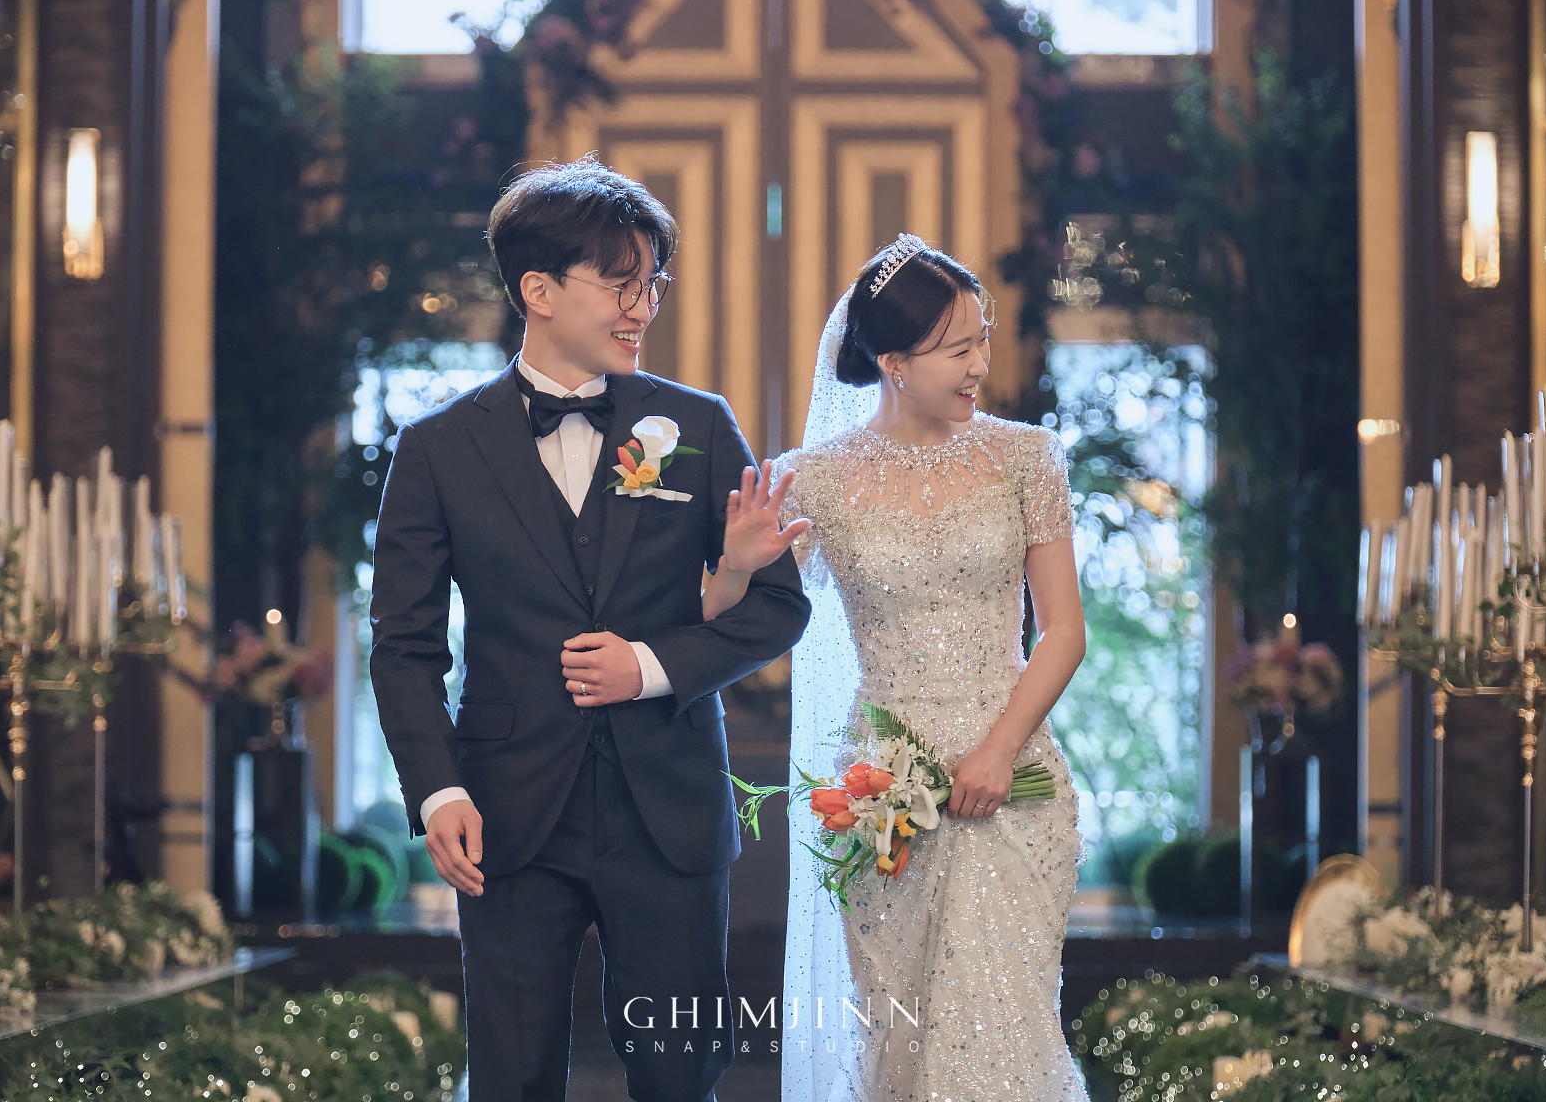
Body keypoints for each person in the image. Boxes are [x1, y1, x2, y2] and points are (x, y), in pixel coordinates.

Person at [368, 156, 810, 1102]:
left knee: (680, 1074)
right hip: (505, 817)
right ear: (538, 290)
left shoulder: (697, 426)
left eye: (652, 284)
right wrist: (438, 791)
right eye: (621, 285)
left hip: (670, 813)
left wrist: (650, 664)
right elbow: (403, 647)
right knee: (512, 1077)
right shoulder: (437, 448)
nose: (642, 308)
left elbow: (779, 606)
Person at [712, 234, 1091, 1101]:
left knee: (1003, 1032)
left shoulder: (1027, 457)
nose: (980, 365)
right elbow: (723, 621)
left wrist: (998, 752)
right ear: (893, 362)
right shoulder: (813, 481)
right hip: (881, 796)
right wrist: (733, 565)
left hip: (1015, 783)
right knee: (902, 1042)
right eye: (957, 349)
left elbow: (1064, 632)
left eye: (983, 340)